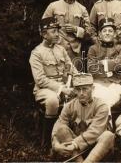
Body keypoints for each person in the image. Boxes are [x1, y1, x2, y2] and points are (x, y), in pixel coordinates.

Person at [29, 17, 77, 145]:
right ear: (44, 34)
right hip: (44, 90)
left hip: (63, 86)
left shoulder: (60, 49)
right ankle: (48, 141)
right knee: (52, 101)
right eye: (54, 31)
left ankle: (74, 138)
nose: (57, 34)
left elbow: (71, 68)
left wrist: (81, 81)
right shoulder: (36, 53)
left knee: (80, 97)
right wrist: (61, 89)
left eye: (57, 31)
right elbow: (40, 80)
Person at [51, 73, 115, 162]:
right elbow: (58, 126)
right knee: (62, 129)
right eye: (78, 89)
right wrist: (56, 145)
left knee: (108, 135)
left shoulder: (101, 106)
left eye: (85, 89)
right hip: (76, 151)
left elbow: (95, 131)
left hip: (97, 147)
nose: (81, 93)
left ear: (92, 89)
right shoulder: (69, 106)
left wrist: (75, 144)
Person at [42, 0, 96, 71]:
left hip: (74, 52)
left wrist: (76, 29)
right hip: (55, 49)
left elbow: (89, 32)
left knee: (75, 81)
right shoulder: (53, 6)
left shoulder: (82, 9)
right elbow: (42, 28)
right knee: (55, 78)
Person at [87, 17, 121, 109]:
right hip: (97, 84)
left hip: (115, 84)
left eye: (110, 31)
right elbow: (91, 68)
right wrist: (113, 64)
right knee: (98, 99)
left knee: (105, 101)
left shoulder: (120, 48)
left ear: (114, 34)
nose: (107, 33)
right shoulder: (93, 49)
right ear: (100, 35)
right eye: (104, 31)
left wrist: (103, 63)